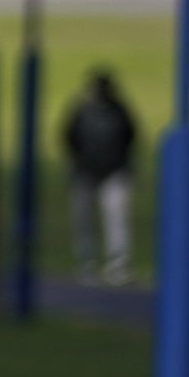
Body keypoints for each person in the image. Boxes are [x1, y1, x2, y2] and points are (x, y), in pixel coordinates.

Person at [61, 69, 140, 286]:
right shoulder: (82, 111)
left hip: (114, 171)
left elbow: (131, 137)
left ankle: (118, 264)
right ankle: (88, 263)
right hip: (86, 172)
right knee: (85, 220)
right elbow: (69, 138)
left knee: (116, 217)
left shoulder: (119, 111)